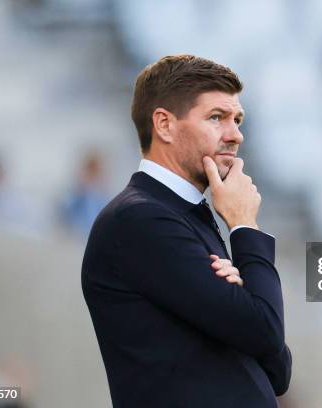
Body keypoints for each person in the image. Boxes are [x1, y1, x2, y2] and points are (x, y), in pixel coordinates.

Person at [81, 55, 292, 407]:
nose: (236, 135)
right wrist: (244, 226)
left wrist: (245, 291)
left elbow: (278, 370)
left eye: (237, 119)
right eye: (216, 118)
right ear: (164, 125)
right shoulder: (139, 220)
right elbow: (267, 333)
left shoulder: (189, 216)